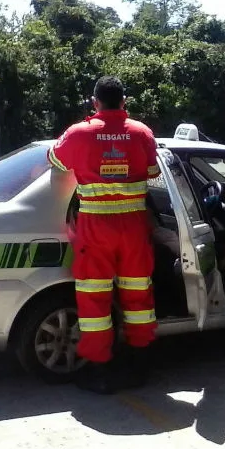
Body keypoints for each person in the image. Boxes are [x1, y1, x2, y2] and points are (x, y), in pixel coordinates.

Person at [48, 75, 160, 395]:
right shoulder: (141, 133)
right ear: (123, 101)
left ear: (95, 102)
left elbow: (54, 159)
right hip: (135, 226)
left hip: (96, 227)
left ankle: (100, 369)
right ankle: (140, 363)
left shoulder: (79, 134)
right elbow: (153, 172)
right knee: (138, 296)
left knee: (94, 299)